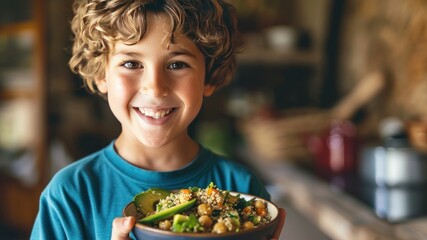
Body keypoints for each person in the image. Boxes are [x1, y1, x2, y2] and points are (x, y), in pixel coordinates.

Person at [30, 0, 285, 239]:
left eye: (176, 65)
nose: (155, 88)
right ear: (101, 73)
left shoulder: (243, 192)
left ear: (208, 77)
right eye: (131, 63)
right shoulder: (69, 196)